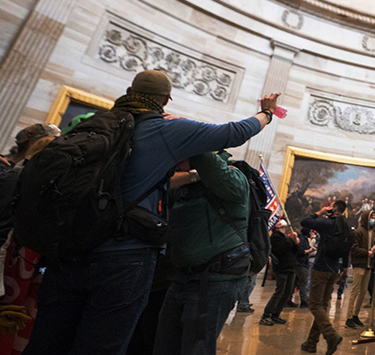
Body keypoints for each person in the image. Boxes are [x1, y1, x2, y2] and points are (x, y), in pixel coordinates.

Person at [23, 70, 280, 355]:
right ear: (166, 99)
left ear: (129, 91)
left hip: (70, 248)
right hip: (124, 257)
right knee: (101, 345)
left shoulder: (92, 124)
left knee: (48, 341)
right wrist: (266, 113)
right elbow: (236, 132)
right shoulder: (166, 130)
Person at [152, 150, 252, 355]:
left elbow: (212, 168)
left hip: (215, 280)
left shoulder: (234, 177)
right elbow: (157, 184)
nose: (176, 165)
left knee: (196, 349)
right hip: (181, 278)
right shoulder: (184, 187)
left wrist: (191, 138)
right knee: (164, 345)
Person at [299, 201, 348, 354]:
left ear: (334, 209)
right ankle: (311, 343)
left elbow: (304, 222)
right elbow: (347, 250)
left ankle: (331, 336)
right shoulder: (345, 225)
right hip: (334, 268)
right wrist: (344, 269)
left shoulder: (328, 223)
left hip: (321, 267)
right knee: (323, 306)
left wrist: (320, 212)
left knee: (314, 305)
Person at [261, 220, 298, 326]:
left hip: (290, 267)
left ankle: (276, 314)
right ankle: (266, 314)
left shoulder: (285, 238)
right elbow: (279, 250)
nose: (284, 229)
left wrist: (295, 243)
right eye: (282, 227)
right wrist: (290, 241)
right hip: (282, 268)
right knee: (279, 292)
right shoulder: (275, 237)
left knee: (287, 292)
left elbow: (294, 252)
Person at [345, 210, 375, 329]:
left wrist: (373, 250)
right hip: (359, 265)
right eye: (371, 217)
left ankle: (355, 314)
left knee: (363, 292)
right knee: (355, 291)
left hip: (368, 265)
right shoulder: (359, 232)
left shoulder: (371, 232)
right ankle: (348, 317)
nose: (373, 219)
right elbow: (353, 249)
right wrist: (367, 252)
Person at [293, 228, 316, 308]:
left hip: (300, 264)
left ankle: (288, 299)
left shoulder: (303, 239)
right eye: (310, 231)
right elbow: (301, 251)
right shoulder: (303, 240)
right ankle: (304, 301)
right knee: (303, 282)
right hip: (301, 264)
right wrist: (310, 250)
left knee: (294, 283)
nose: (312, 232)